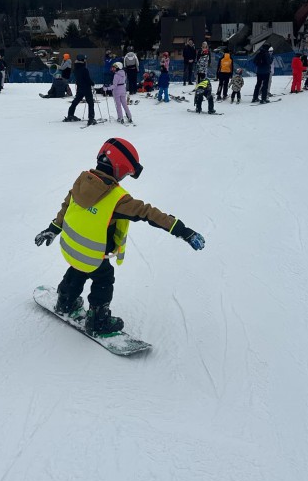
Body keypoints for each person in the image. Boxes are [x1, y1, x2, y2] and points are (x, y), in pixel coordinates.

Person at [34, 138, 205, 334]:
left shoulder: (82, 181)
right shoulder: (117, 199)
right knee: (104, 277)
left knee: (78, 269)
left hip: (70, 249)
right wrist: (182, 230)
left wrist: (53, 228)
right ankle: (98, 320)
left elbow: (66, 206)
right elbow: (148, 213)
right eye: (125, 173)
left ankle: (65, 301)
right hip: (93, 256)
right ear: (119, 168)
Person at [65, 54, 96, 124]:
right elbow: (87, 79)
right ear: (82, 60)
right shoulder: (84, 69)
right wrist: (92, 83)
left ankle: (70, 115)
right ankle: (91, 119)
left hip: (80, 87)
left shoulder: (76, 68)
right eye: (85, 59)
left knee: (76, 101)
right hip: (86, 88)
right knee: (90, 103)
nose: (85, 60)